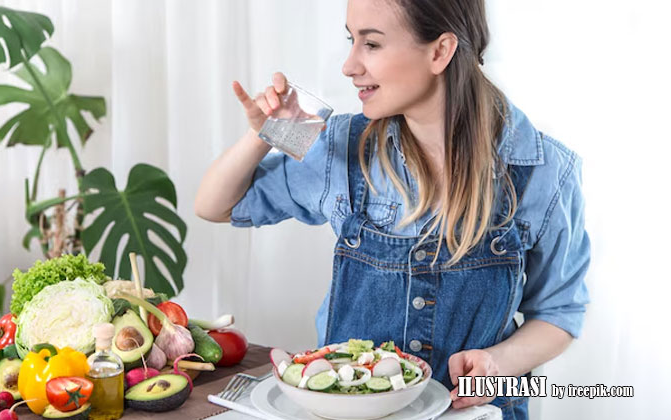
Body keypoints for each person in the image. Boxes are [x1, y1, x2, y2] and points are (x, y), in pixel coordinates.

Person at [195, 0, 589, 418]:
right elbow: (215, 206)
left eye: (372, 44)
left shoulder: (544, 169)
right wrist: (267, 133)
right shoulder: (342, 148)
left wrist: (498, 365)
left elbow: (559, 312)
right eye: (352, 40)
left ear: (440, 51)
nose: (349, 66)